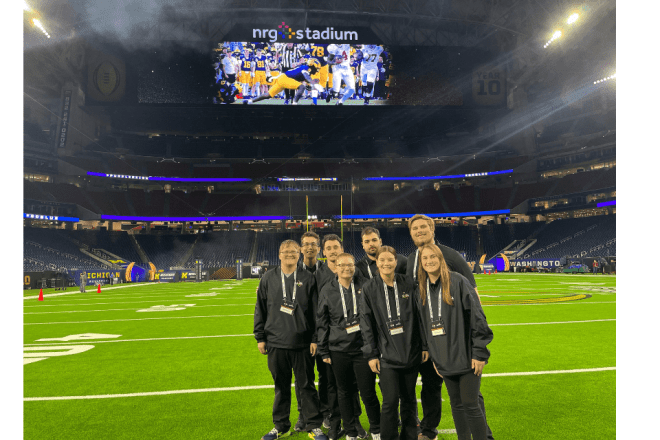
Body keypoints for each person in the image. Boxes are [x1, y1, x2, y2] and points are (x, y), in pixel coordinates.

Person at [406, 214, 494, 440]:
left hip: (458, 343)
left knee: (471, 399)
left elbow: (474, 299)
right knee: (436, 390)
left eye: (423, 227)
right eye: (415, 228)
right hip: (433, 343)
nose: (419, 231)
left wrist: (477, 348)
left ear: (432, 228)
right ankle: (429, 429)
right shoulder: (411, 260)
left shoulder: (451, 256)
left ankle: (486, 436)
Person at [253, 240, 328, 440]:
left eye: (294, 251)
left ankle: (313, 425)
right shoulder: (268, 278)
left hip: (303, 343)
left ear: (299, 254)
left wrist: (315, 338)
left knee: (307, 386)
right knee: (281, 386)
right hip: (276, 342)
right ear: (279, 255)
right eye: (286, 251)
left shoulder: (308, 278)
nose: (290, 254)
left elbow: (315, 312)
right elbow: (260, 308)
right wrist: (260, 337)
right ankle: (281, 426)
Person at [360, 246, 426, 440]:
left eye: (390, 260)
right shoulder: (369, 288)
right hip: (386, 355)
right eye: (382, 260)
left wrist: (424, 346)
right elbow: (366, 323)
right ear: (376, 263)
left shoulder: (408, 283)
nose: (386, 263)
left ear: (396, 262)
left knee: (409, 400)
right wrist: (371, 354)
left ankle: (409, 436)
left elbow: (421, 317)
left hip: (411, 352)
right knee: (389, 402)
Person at [317, 252, 381, 440]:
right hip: (339, 350)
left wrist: (374, 348)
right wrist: (323, 349)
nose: (346, 268)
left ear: (355, 266)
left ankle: (376, 429)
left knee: (368, 392)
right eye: (342, 265)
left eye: (350, 265)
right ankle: (351, 431)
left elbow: (374, 318)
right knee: (343, 392)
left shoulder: (365, 286)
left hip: (363, 349)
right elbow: (322, 321)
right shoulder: (327, 289)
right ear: (335, 267)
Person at [244, 58, 321, 105]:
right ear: (312, 66)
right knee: (302, 87)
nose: (316, 70)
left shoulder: (307, 70)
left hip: (282, 78)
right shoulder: (306, 68)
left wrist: (310, 86)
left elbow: (308, 82)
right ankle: (294, 104)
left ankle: (250, 101)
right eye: (316, 68)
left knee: (268, 95)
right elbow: (306, 76)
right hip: (285, 78)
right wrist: (311, 83)